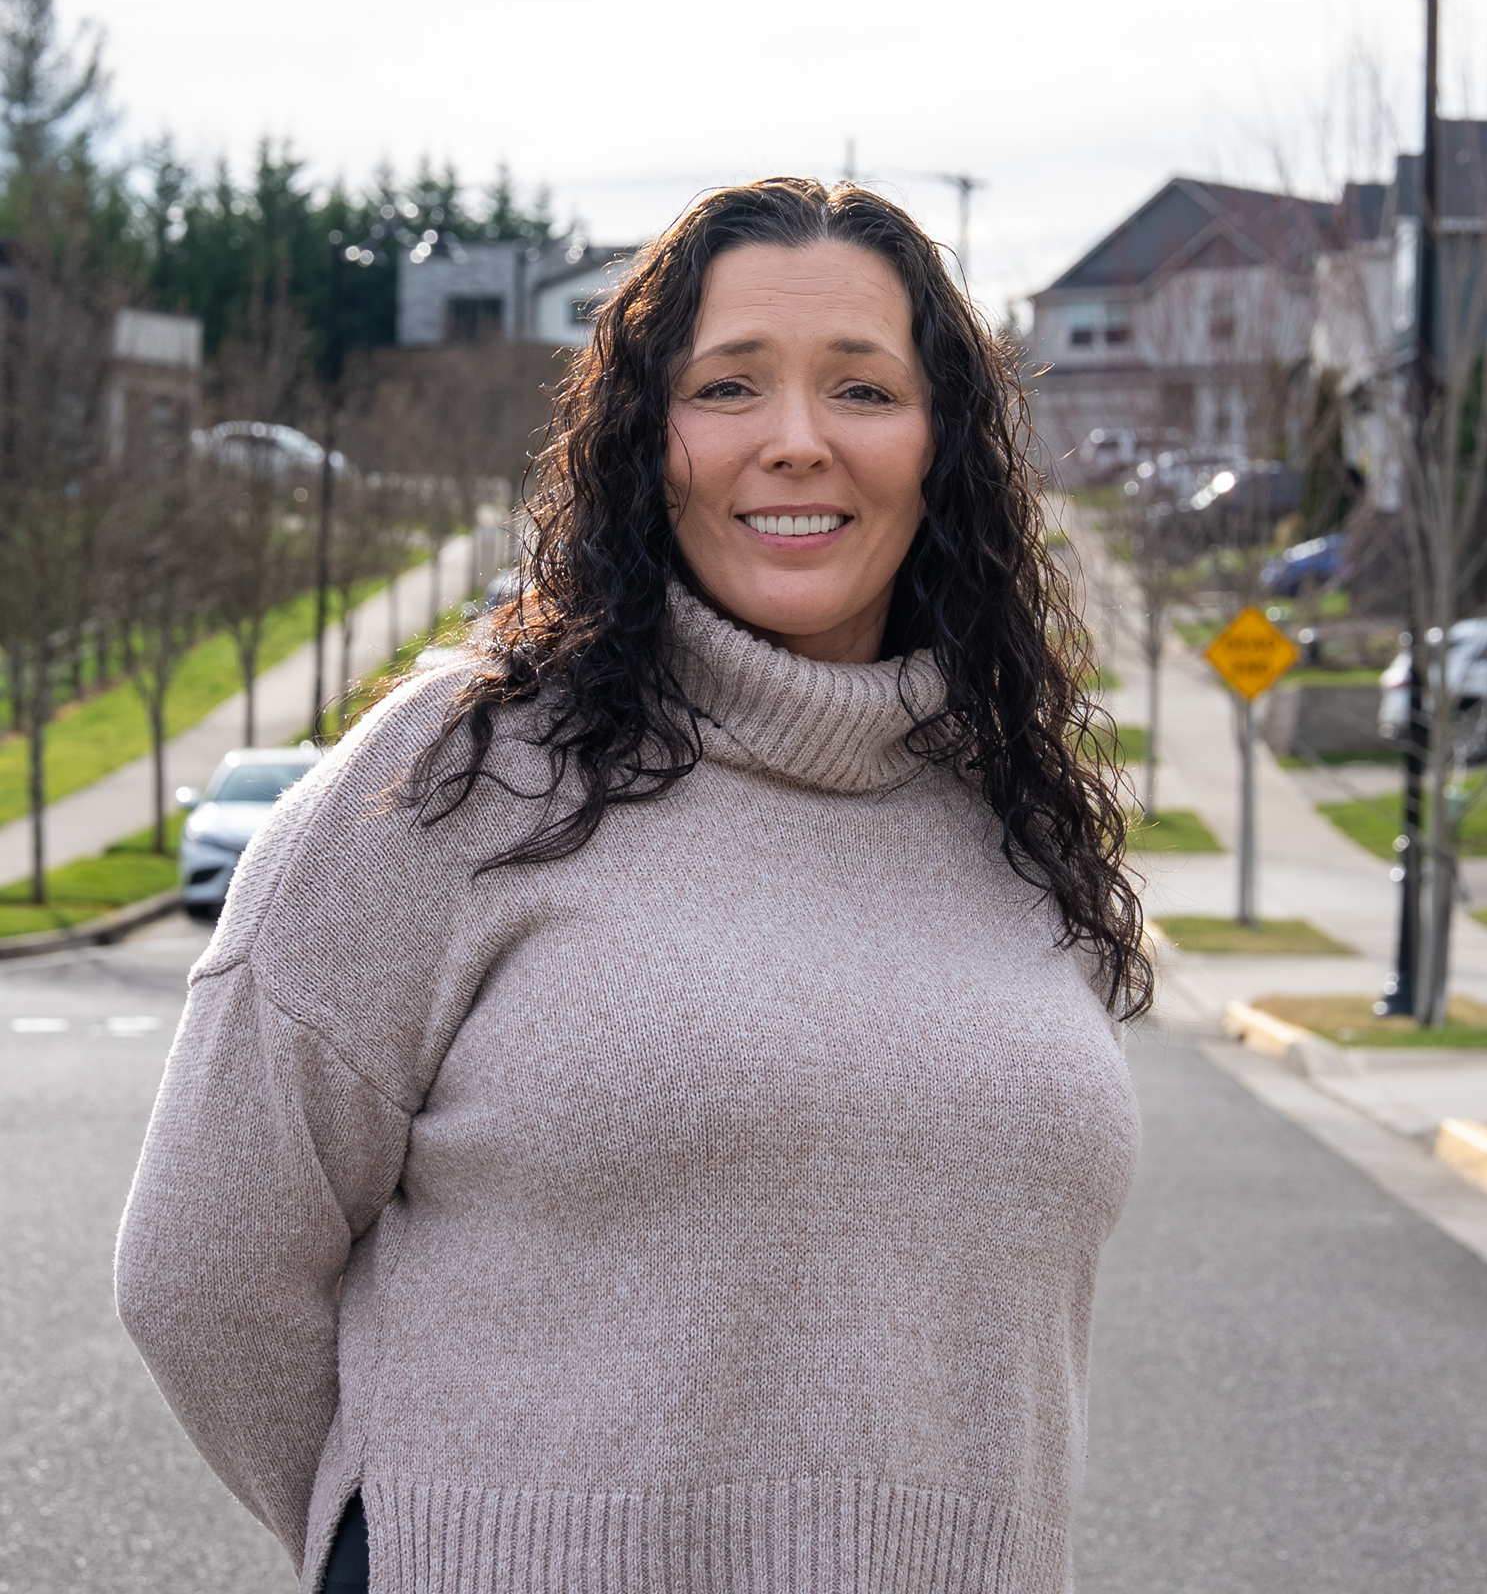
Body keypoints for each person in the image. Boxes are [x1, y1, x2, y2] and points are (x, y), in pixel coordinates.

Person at [117, 177, 1149, 1594]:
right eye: (728, 387)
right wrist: (425, 1545)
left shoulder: (1017, 821)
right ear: (646, 440)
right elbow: (203, 1266)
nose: (796, 442)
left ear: (942, 446)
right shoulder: (454, 777)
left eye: (862, 388)